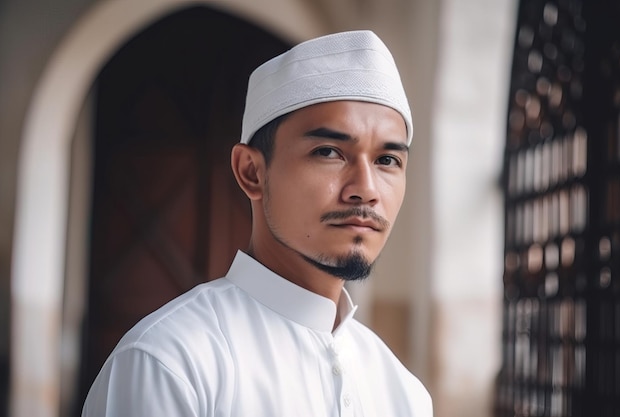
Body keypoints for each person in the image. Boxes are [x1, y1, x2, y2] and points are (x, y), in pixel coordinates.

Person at [82, 29, 433, 417]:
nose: (366, 190)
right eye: (329, 151)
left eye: (387, 160)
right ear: (251, 172)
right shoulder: (170, 365)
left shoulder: (405, 395)